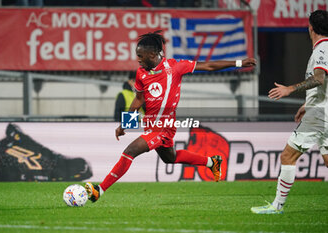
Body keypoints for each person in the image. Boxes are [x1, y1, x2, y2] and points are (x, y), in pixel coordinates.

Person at [85, 30, 256, 202]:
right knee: (170, 158)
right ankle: (212, 162)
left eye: (140, 55)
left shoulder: (175, 67)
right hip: (151, 126)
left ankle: (100, 189)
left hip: (164, 127)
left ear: (152, 54)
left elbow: (208, 66)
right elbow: (138, 99)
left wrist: (240, 63)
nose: (137, 59)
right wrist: (124, 125)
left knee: (130, 151)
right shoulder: (141, 73)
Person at [251, 10, 328, 214]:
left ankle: (277, 206)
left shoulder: (322, 50)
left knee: (288, 156)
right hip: (322, 109)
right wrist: (307, 103)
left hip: (319, 115)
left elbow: (320, 78)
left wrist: (290, 89)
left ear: (311, 27)